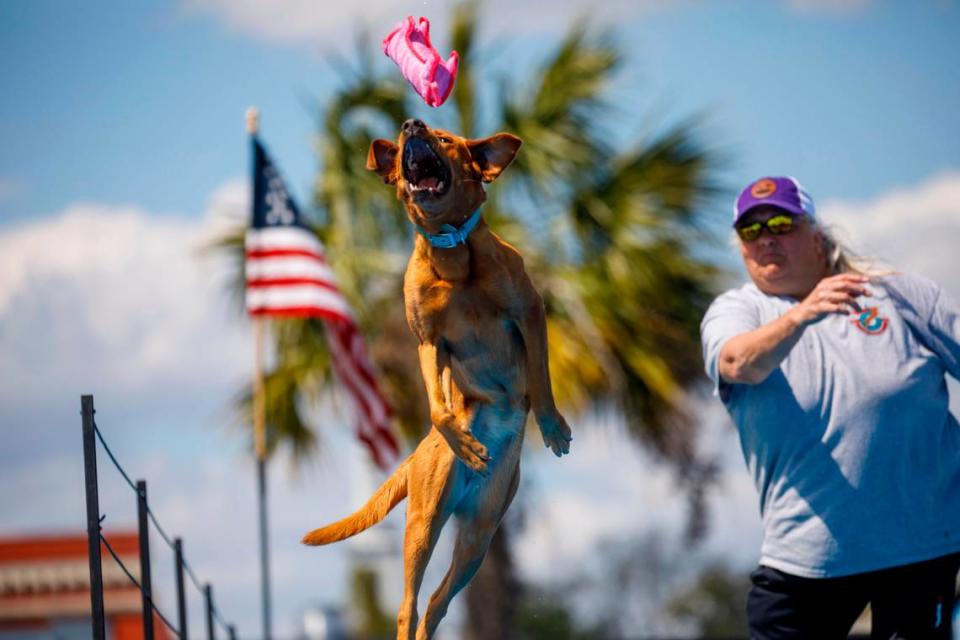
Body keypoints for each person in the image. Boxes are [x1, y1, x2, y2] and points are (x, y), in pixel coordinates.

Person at [700, 176, 960, 639]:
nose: (766, 239)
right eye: (751, 231)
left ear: (817, 235)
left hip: (923, 549)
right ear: (740, 248)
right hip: (806, 561)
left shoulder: (895, 294)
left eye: (780, 223)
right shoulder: (736, 311)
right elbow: (738, 363)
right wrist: (801, 315)